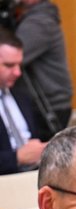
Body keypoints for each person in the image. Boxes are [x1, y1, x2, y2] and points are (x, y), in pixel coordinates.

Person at [15, 0, 73, 136]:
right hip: (47, 105)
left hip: (47, 107)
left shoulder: (39, 22)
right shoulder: (36, 17)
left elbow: (10, 56)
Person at [0, 27, 46, 174]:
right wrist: (17, 157)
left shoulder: (21, 95)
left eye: (19, 64)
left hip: (35, 174)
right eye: (9, 65)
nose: (18, 72)